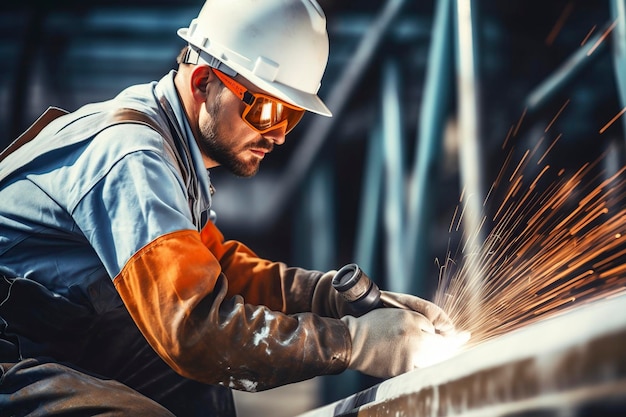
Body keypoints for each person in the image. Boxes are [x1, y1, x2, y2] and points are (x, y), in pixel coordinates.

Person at [0, 0, 468, 415]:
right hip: (9, 363)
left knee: (195, 385)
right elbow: (194, 327)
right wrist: (352, 343)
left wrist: (333, 298)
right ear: (205, 81)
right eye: (267, 111)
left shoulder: (173, 156)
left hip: (48, 343)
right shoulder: (134, 157)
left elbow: (220, 273)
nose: (280, 134)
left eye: (294, 114)